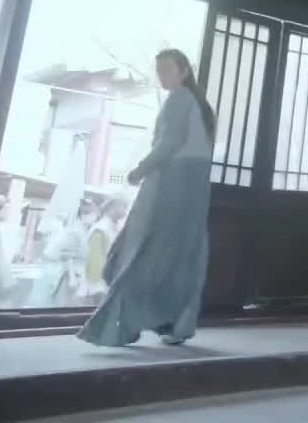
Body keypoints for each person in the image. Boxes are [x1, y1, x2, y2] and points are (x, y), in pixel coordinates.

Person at [77, 49, 216, 347]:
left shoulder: (179, 98)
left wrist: (140, 169)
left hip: (171, 184)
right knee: (180, 257)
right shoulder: (200, 106)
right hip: (193, 190)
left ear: (184, 72)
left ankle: (124, 323)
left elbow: (170, 142)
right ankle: (174, 323)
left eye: (167, 69)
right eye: (159, 70)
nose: (161, 76)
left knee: (140, 252)